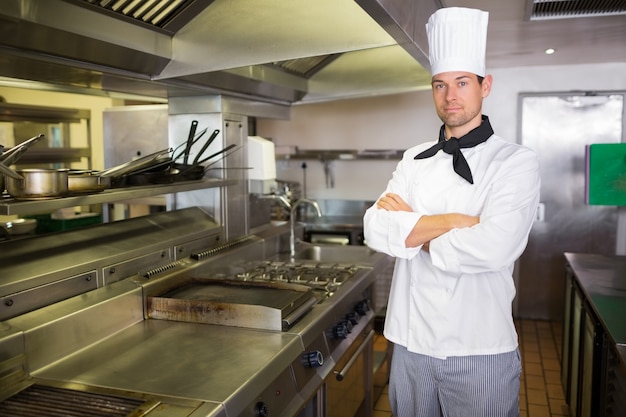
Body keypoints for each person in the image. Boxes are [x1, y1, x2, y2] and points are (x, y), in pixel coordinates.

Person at [363, 7, 541, 417]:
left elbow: (495, 247)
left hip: (479, 348)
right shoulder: (413, 159)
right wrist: (453, 224)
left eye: (462, 82)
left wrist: (411, 229)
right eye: (439, 85)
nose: (450, 96)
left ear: (485, 86)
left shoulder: (514, 162)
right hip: (409, 345)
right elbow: (375, 227)